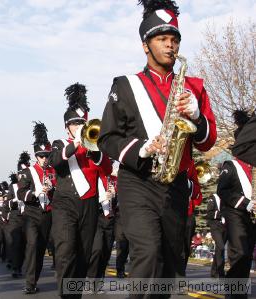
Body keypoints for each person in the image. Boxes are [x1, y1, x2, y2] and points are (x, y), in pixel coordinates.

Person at [98, 1, 217, 296]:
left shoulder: (194, 87)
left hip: (175, 183)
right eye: (162, 39)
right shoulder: (125, 86)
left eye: (174, 39)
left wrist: (196, 116)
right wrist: (142, 148)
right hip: (137, 181)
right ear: (145, 46)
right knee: (148, 252)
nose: (170, 45)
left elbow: (208, 140)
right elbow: (107, 138)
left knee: (171, 262)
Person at [49, 83, 111, 298]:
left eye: (81, 123)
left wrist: (94, 151)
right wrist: (75, 144)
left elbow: (108, 168)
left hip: (89, 204)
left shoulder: (95, 145)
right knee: (66, 250)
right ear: (67, 127)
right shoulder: (59, 144)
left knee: (85, 253)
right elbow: (55, 161)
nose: (79, 127)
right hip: (65, 203)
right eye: (75, 124)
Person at [218, 111, 255, 299]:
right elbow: (222, 190)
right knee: (239, 253)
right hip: (236, 214)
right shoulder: (231, 166)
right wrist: (246, 204)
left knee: (247, 256)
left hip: (252, 218)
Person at [18, 122, 56, 294]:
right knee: (32, 245)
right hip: (31, 214)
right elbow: (21, 194)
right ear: (36, 156)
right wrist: (36, 191)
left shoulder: (54, 172)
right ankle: (29, 282)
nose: (44, 159)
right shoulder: (27, 173)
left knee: (40, 249)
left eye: (47, 156)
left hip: (47, 215)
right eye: (41, 156)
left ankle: (34, 281)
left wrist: (53, 189)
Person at [206, 194, 227, 278]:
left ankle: (213, 272)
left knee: (219, 249)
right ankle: (221, 272)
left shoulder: (227, 198)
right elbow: (209, 213)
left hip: (225, 226)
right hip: (215, 225)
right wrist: (221, 214)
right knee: (221, 247)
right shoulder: (213, 197)